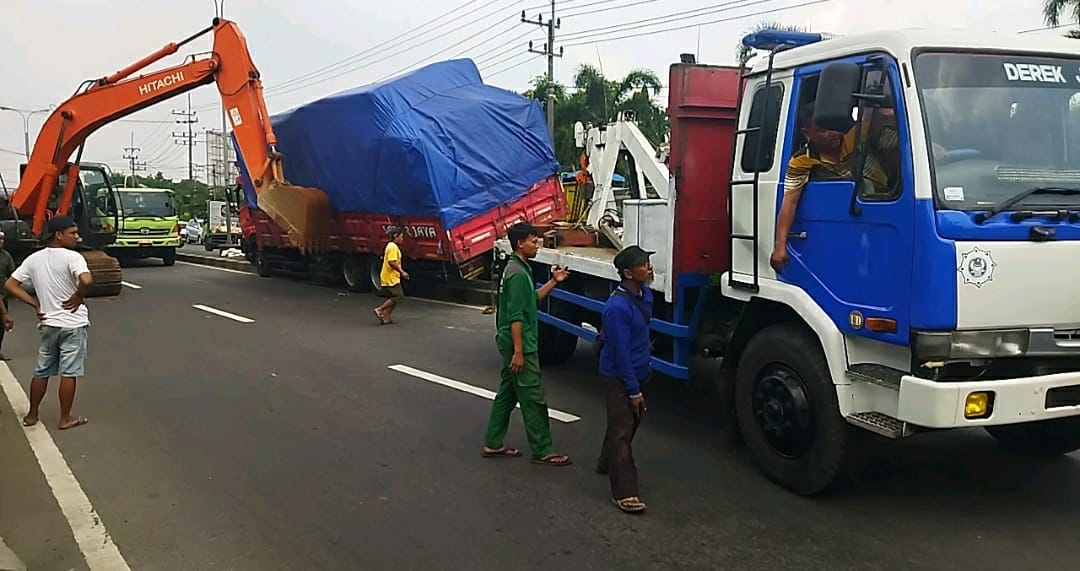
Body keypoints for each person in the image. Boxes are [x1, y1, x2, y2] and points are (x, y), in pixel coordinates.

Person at [481, 222, 572, 466]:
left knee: (508, 395)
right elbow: (517, 317)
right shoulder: (519, 273)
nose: (537, 245)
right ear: (520, 243)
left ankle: (493, 442)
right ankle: (543, 449)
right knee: (533, 398)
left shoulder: (515, 268)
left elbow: (531, 300)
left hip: (509, 341)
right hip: (520, 344)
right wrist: (520, 351)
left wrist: (554, 281)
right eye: (534, 240)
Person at [771, 102, 899, 272]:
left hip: (886, 208)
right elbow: (790, 203)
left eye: (834, 127)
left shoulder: (858, 135)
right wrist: (780, 247)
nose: (832, 134)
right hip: (849, 226)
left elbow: (898, 139)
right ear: (806, 133)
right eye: (822, 130)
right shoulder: (802, 161)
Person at [5, 216, 93, 430]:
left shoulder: (34, 259)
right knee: (69, 372)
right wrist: (79, 295)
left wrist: (35, 305)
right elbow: (87, 280)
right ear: (58, 235)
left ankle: (32, 414)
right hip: (73, 323)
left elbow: (10, 284)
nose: (77, 236)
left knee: (42, 370)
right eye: (72, 233)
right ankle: (65, 418)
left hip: (48, 323)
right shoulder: (74, 257)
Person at [596, 245, 654, 513]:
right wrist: (633, 391)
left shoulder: (645, 295)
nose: (649, 268)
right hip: (620, 376)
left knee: (627, 424)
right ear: (628, 273)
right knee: (622, 431)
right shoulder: (616, 308)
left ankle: (606, 462)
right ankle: (625, 491)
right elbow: (620, 354)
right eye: (644, 264)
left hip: (640, 371)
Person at [374, 226, 409, 325]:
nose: (402, 239)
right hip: (390, 277)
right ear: (395, 236)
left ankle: (386, 317)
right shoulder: (393, 247)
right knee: (399, 296)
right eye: (401, 237)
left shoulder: (391, 246)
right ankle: (380, 309)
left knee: (394, 298)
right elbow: (392, 262)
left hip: (392, 277)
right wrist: (402, 272)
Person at [0, 231, 16, 360]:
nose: (1, 241)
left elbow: (12, 273)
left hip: (2, 295)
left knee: (1, 326)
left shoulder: (6, 256)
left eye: (2, 239)